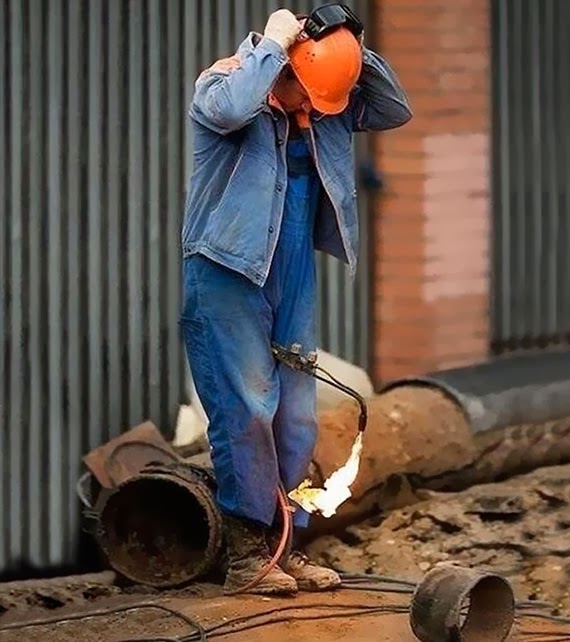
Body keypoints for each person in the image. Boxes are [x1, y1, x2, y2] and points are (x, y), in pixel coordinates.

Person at [180, 7, 412, 596]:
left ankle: (287, 545)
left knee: (297, 415)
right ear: (281, 68)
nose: (312, 112)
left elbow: (393, 108)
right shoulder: (227, 85)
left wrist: (349, 47)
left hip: (291, 271)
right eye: (305, 96)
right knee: (248, 408)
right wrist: (276, 44)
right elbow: (230, 108)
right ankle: (247, 554)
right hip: (227, 271)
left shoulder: (324, 108)